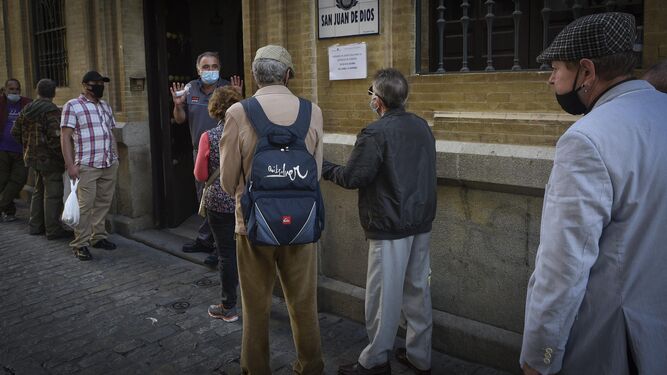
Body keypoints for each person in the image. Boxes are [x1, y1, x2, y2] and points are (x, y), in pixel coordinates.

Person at [520, 12, 667, 375]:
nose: (551, 79)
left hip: (614, 344)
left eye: (556, 68)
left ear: (586, 71)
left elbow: (562, 265)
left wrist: (539, 358)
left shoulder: (586, 139)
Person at [322, 68, 436, 375]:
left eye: (371, 92)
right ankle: (420, 356)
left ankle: (375, 359)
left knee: (383, 297)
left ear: (379, 99)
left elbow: (353, 176)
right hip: (420, 221)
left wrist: (323, 166)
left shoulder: (375, 133)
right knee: (417, 291)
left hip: (389, 224)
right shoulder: (422, 126)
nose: (370, 98)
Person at [219, 45, 325, 374]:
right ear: (288, 75)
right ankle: (310, 366)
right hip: (302, 226)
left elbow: (226, 180)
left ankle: (255, 369)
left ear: (254, 76)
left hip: (252, 226)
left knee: (255, 306)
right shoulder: (313, 112)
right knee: (304, 303)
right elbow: (316, 174)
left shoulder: (239, 112)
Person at [170, 51, 243, 260]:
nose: (210, 70)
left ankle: (222, 246)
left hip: (225, 152)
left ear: (219, 68)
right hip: (200, 151)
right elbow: (180, 119)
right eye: (206, 67)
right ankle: (205, 239)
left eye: (214, 66)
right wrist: (177, 106)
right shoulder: (190, 88)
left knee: (224, 199)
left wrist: (239, 97)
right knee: (203, 196)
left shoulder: (228, 87)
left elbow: (241, 118)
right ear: (198, 69)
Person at [194, 86, 242, 322]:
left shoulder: (208, 136)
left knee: (226, 254)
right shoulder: (248, 133)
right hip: (244, 200)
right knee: (249, 253)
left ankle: (228, 306)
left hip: (219, 202)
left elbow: (201, 174)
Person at [60, 71, 119, 261]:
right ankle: (80, 244)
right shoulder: (72, 106)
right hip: (87, 164)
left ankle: (98, 237)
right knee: (85, 207)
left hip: (108, 163)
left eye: (103, 83)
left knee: (103, 203)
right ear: (86, 85)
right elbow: (65, 137)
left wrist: (115, 157)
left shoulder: (105, 106)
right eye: (97, 83)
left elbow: (110, 133)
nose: (101, 85)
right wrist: (70, 165)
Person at [11, 78, 70, 239]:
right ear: (53, 93)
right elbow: (55, 138)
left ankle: (35, 226)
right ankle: (53, 230)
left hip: (32, 158)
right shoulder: (51, 111)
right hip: (50, 160)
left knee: (38, 191)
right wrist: (64, 158)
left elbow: (15, 131)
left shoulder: (27, 108)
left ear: (37, 91)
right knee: (53, 194)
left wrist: (28, 146)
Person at [0, 79, 31, 222]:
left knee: (19, 179)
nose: (14, 92)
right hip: (2, 149)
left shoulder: (26, 103)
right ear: (5, 90)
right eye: (11, 89)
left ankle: (2, 206)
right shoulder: (1, 103)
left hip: (20, 150)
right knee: (3, 181)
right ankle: (9, 211)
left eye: (17, 89)